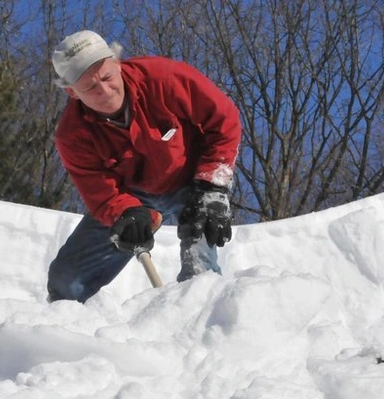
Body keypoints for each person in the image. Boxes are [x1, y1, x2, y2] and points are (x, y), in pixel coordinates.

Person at [47, 30, 242, 303]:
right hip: (132, 198)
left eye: (106, 77)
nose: (103, 90)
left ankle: (200, 316)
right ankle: (61, 333)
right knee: (65, 280)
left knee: (200, 269)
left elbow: (224, 121)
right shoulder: (72, 135)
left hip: (192, 180)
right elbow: (101, 194)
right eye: (90, 87)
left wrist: (213, 186)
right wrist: (125, 213)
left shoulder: (165, 78)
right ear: (72, 92)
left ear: (117, 63)